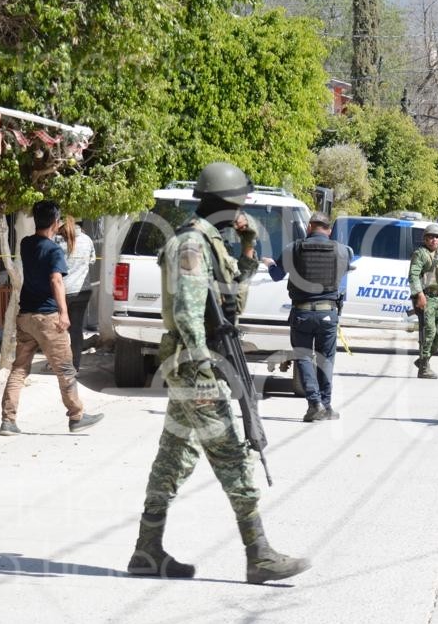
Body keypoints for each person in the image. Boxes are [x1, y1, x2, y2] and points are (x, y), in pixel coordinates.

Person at [127, 161, 309, 584]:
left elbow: (230, 298)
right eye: (241, 206)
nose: (243, 212)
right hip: (195, 364)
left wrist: (247, 248)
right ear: (225, 205)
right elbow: (191, 312)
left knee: (174, 456)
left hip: (195, 360)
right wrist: (204, 364)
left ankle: (146, 550)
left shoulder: (208, 243)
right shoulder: (191, 245)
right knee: (230, 452)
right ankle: (259, 554)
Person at [0, 201, 104, 436]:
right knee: (65, 368)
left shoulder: (26, 244)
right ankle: (76, 416)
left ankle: (8, 420)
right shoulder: (53, 250)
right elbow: (56, 281)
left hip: (25, 315)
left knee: (19, 369)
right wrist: (64, 312)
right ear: (55, 223)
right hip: (47, 316)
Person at [262, 211, 352, 422]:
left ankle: (314, 404)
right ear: (329, 231)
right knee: (326, 360)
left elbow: (276, 276)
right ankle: (326, 406)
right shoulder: (343, 251)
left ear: (310, 227)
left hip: (302, 312)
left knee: (303, 356)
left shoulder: (293, 248)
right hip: (328, 313)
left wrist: (269, 265)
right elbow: (345, 271)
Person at [408, 224, 438, 379]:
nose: (434, 240)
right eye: (431, 237)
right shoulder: (420, 254)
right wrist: (419, 295)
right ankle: (424, 368)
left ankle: (422, 360)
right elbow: (413, 276)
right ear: (425, 238)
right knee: (429, 333)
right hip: (427, 298)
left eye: (437, 237)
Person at [55, 216, 96, 371]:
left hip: (62, 291)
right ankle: (75, 365)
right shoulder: (87, 240)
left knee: (59, 329)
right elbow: (92, 261)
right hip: (82, 291)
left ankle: (61, 364)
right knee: (76, 330)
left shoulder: (57, 241)